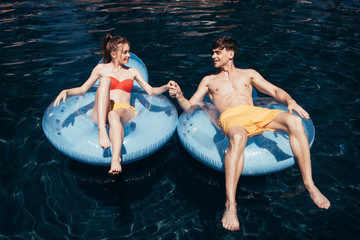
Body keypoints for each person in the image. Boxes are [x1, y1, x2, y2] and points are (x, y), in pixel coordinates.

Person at [169, 36, 330, 231]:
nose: (213, 56)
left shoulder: (248, 74)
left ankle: (309, 184)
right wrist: (179, 96)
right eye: (213, 52)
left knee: (295, 121)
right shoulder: (209, 80)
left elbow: (274, 90)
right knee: (238, 137)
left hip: (255, 113)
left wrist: (290, 101)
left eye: (217, 52)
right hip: (231, 117)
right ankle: (231, 204)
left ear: (231, 53)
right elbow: (190, 106)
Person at [53, 34, 171, 175]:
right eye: (125, 52)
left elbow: (151, 91)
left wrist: (166, 86)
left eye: (128, 51)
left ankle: (116, 159)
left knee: (113, 114)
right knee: (105, 81)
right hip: (103, 109)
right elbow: (83, 89)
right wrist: (67, 91)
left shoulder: (132, 71)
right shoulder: (101, 69)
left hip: (123, 111)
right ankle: (102, 129)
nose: (129, 55)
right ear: (113, 54)